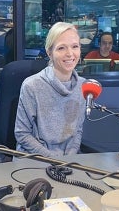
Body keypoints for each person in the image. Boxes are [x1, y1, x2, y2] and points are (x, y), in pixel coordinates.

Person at [14, 22, 86, 159]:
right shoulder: (31, 86)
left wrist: (69, 159)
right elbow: (22, 134)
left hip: (68, 160)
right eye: (61, 48)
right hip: (35, 159)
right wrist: (54, 160)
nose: (70, 54)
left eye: (75, 47)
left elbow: (77, 131)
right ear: (49, 53)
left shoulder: (83, 86)